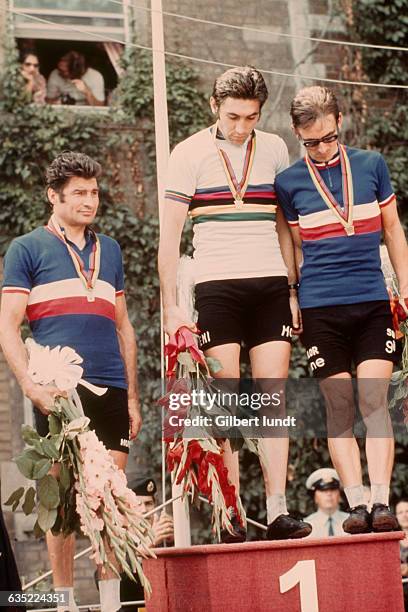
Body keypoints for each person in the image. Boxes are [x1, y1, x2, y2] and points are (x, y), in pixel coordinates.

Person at [158, 65, 311, 542]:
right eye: (232, 117)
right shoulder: (188, 154)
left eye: (251, 117)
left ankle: (279, 508)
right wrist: (172, 310)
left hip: (269, 284)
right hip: (216, 287)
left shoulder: (274, 147)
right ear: (213, 107)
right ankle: (231, 512)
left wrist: (291, 290)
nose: (241, 127)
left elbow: (285, 224)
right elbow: (168, 241)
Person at [0, 152, 141, 612]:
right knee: (61, 502)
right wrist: (30, 386)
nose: (89, 200)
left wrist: (134, 398)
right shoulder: (26, 248)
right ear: (53, 196)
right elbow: (8, 326)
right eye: (79, 192)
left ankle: (109, 603)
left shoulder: (111, 249)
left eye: (94, 192)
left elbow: (124, 327)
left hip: (112, 389)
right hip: (59, 391)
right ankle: (62, 604)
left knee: (110, 500)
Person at [275, 85, 408, 534]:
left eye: (329, 137)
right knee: (339, 406)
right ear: (297, 134)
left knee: (373, 401)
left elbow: (393, 230)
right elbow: (292, 245)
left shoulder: (371, 165)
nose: (322, 148)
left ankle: (381, 502)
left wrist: (405, 289)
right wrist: (292, 295)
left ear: (339, 123)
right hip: (320, 308)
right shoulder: (290, 182)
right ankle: (355, 506)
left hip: (371, 301)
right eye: (312, 142)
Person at [119, 477, 174, 611]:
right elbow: (117, 586)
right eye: (138, 504)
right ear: (125, 511)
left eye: (149, 503)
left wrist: (174, 543)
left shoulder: (165, 541)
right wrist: (147, 546)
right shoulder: (116, 543)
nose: (144, 510)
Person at [305, 468, 348, 537]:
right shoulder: (307, 526)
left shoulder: (351, 522)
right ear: (315, 497)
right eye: (323, 491)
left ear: (340, 495)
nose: (329, 494)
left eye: (333, 490)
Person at [396, 499, 408, 611]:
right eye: (400, 512)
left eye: (407, 511)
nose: (404, 515)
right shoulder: (392, 542)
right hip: (399, 595)